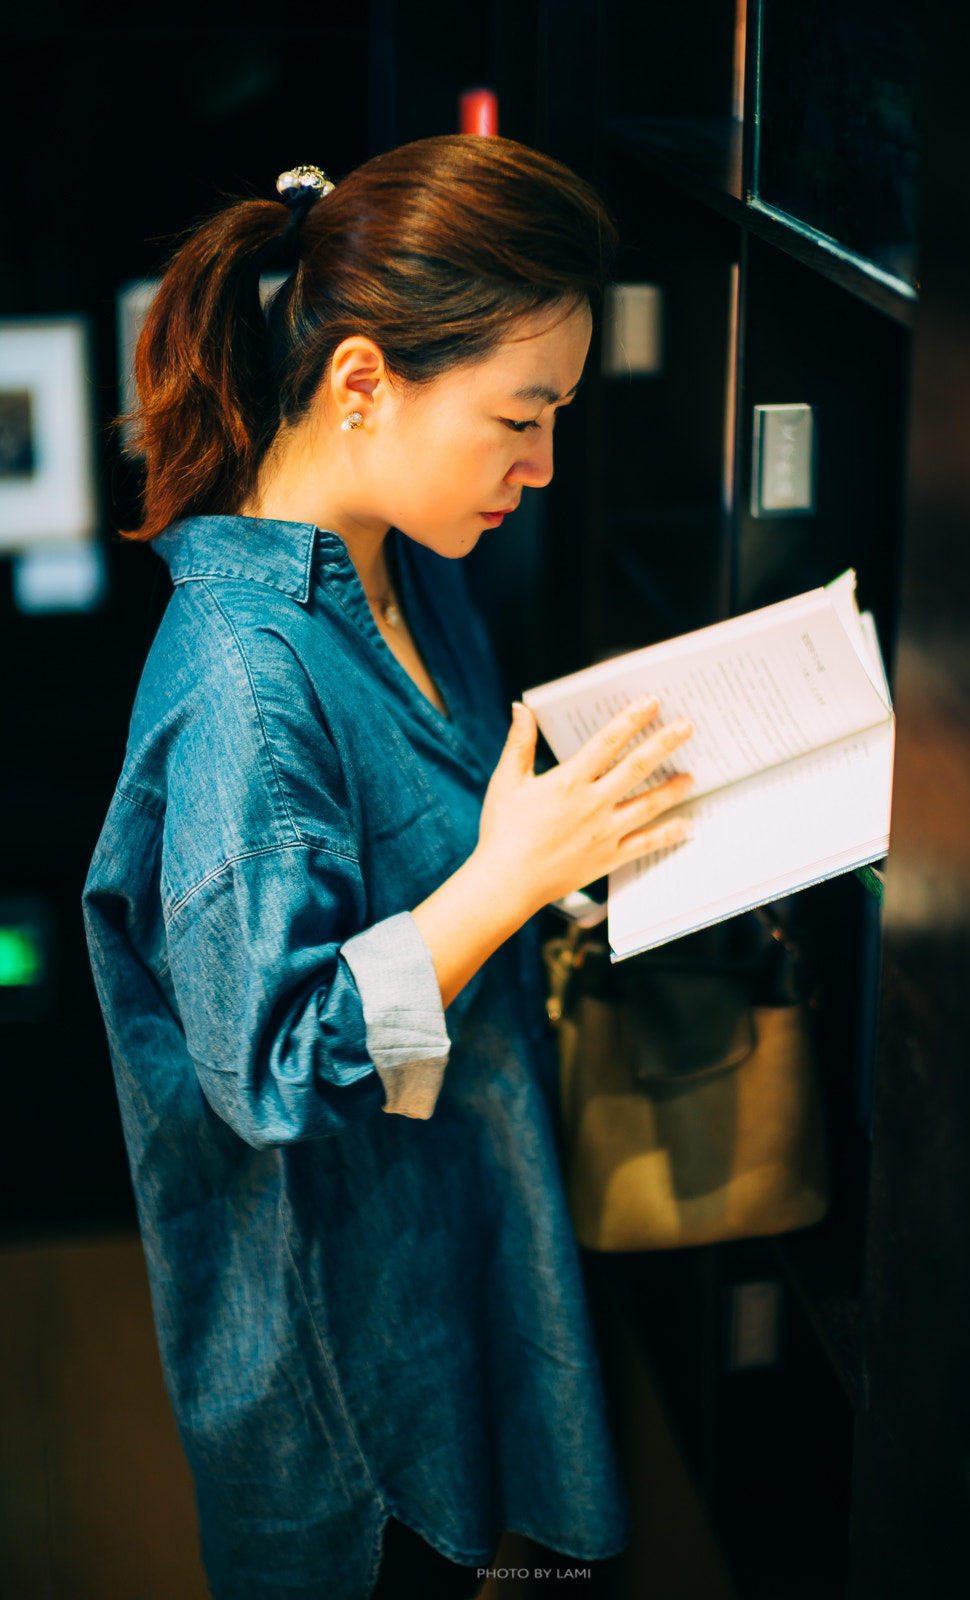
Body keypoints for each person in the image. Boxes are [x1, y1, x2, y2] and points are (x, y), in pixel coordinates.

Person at [83, 137, 694, 1600]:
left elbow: (452, 849)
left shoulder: (407, 561)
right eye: (519, 417)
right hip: (345, 1370)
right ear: (362, 383)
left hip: (463, 1232)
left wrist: (563, 860)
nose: (543, 466)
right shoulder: (243, 682)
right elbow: (270, 1067)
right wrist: (504, 882)